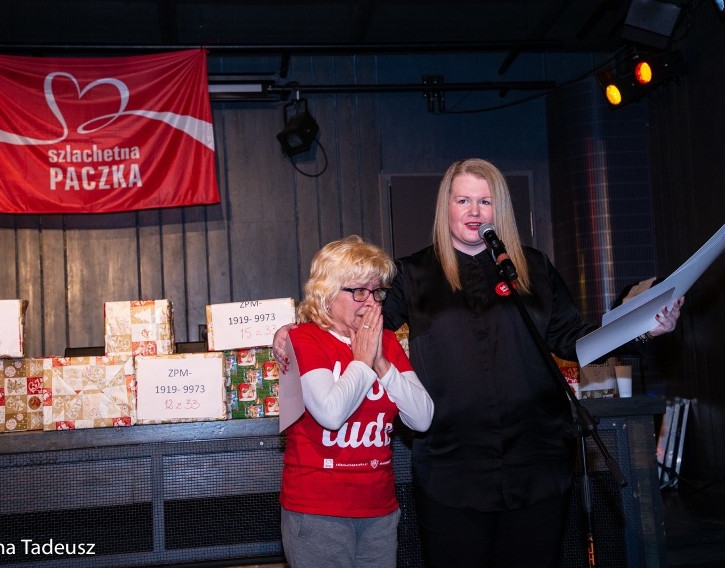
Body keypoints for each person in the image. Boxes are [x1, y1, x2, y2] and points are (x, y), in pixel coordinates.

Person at [276, 158, 683, 568]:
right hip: (452, 467)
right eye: (463, 200)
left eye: (485, 201)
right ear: (446, 207)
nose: (474, 211)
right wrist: (291, 329)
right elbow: (351, 318)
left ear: (499, 209)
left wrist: (643, 328)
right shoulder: (412, 274)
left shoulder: (533, 268)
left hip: (536, 460)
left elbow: (572, 339)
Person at [278, 235, 434, 568]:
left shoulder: (387, 342)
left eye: (377, 292)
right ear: (327, 292)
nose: (371, 303)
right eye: (359, 291)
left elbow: (422, 418)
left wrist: (381, 364)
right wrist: (362, 361)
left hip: (379, 508)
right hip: (319, 509)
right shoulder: (304, 338)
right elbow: (330, 414)